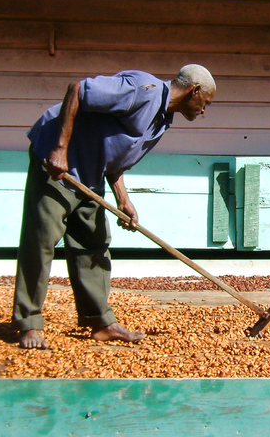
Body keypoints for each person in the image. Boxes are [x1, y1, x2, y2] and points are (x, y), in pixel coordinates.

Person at [12, 65, 216, 349]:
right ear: (194, 90)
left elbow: (114, 153)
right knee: (41, 240)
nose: (204, 110)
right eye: (205, 102)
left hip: (90, 172)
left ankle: (101, 323)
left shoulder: (161, 119)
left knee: (93, 243)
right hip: (58, 166)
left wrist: (123, 198)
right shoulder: (143, 90)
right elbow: (77, 90)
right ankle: (28, 324)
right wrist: (58, 149)